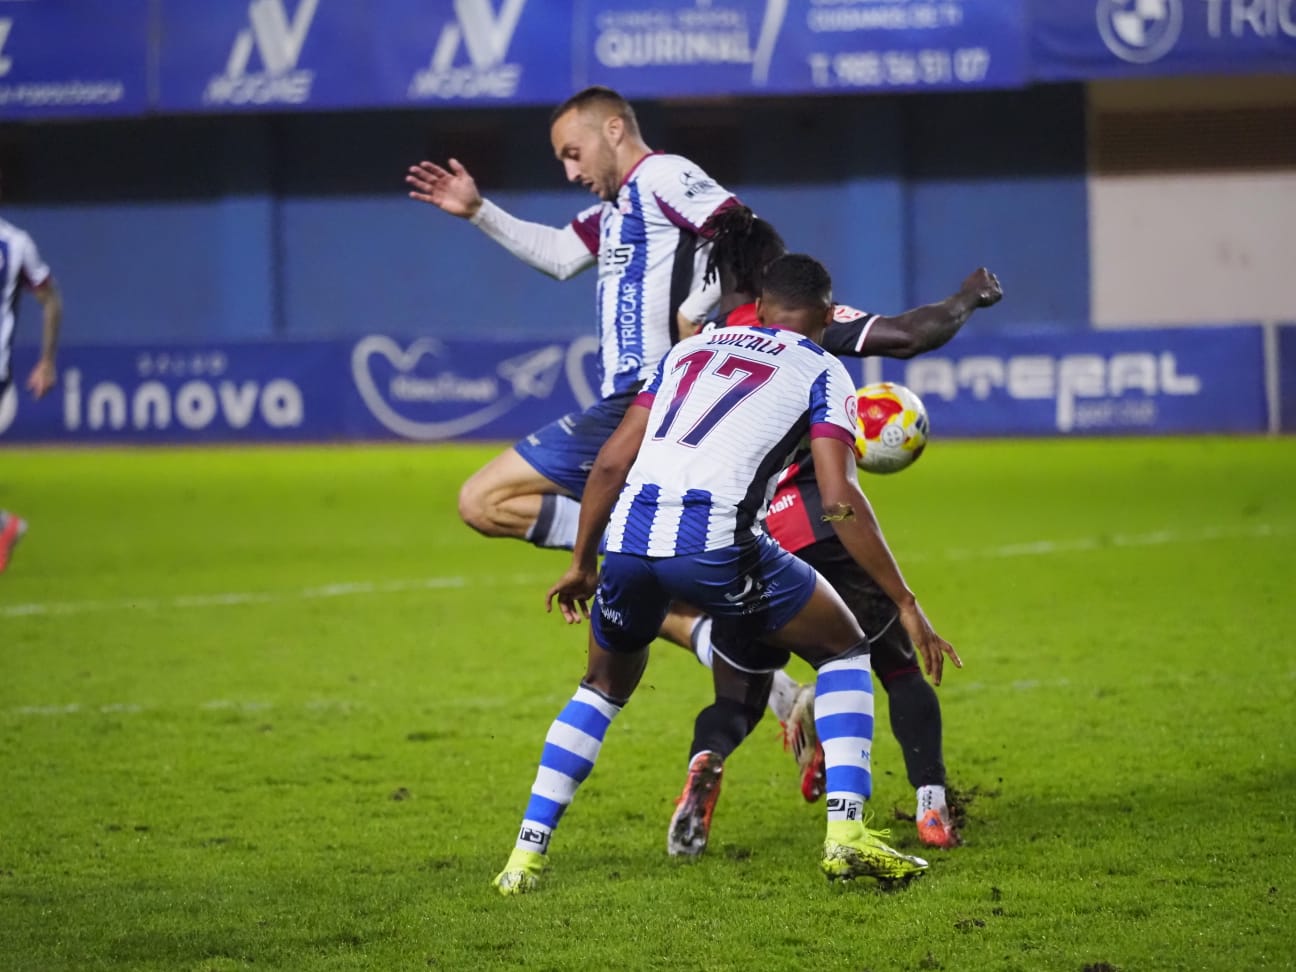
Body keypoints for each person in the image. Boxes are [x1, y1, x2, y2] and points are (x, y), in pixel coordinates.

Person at [492, 253, 960, 895]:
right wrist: (904, 599)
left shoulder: (691, 351)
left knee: (601, 687)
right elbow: (839, 497)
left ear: (761, 308)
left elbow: (608, 465)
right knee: (846, 645)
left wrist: (581, 564)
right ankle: (847, 836)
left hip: (629, 541)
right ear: (828, 316)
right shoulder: (825, 368)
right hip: (717, 543)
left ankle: (524, 859)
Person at [659, 208, 1002, 858]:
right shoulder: (809, 330)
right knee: (894, 664)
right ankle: (929, 808)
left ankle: (709, 759)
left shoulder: (704, 337)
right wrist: (967, 297)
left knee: (739, 693)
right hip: (816, 524)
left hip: (735, 537)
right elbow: (908, 335)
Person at [406, 86, 736, 552]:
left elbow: (743, 230)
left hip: (655, 394)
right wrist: (480, 212)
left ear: (614, 130)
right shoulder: (613, 210)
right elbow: (559, 255)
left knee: (484, 499)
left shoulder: (662, 175)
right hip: (631, 402)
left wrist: (694, 311)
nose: (570, 172)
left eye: (574, 154)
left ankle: (624, 549)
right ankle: (678, 593)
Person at [0, 204, 63, 574]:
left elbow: (50, 299)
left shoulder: (17, 244)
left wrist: (48, 361)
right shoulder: (17, 242)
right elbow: (51, 299)